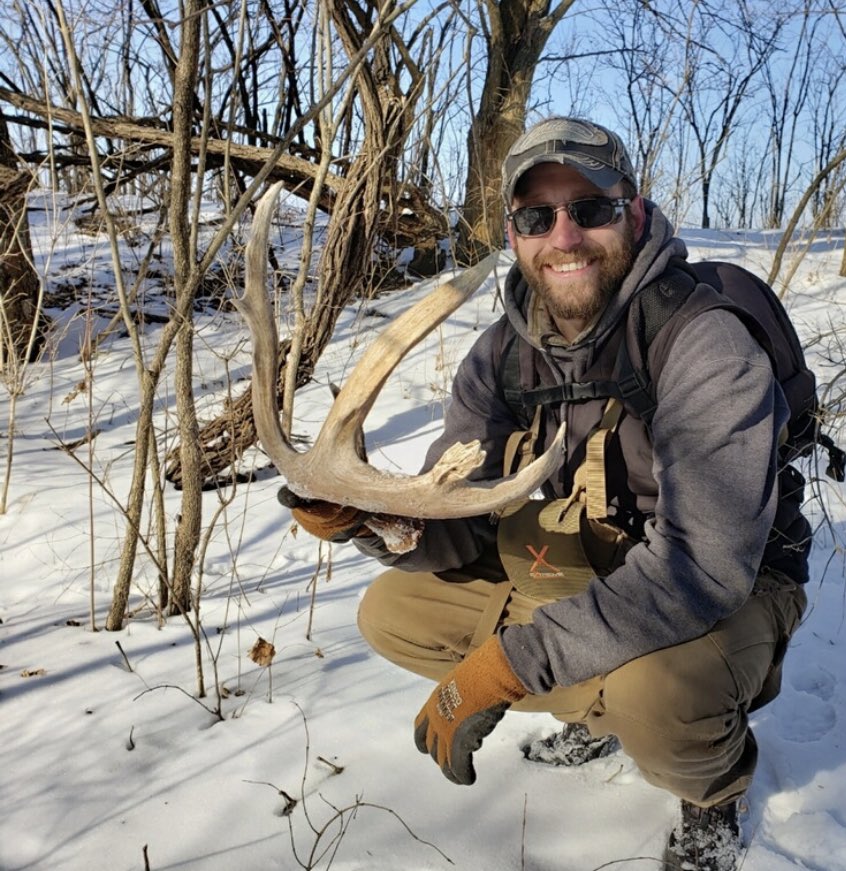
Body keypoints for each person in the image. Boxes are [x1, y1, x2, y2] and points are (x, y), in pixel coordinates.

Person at [286, 116, 810, 871]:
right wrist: (377, 525)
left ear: (633, 213)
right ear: (513, 233)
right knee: (393, 613)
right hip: (581, 563)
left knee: (656, 696)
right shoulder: (500, 355)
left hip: (731, 583)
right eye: (536, 217)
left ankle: (712, 795)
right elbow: (465, 520)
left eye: (589, 209)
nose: (563, 237)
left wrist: (508, 666)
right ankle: (595, 707)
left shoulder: (703, 342)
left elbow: (701, 568)